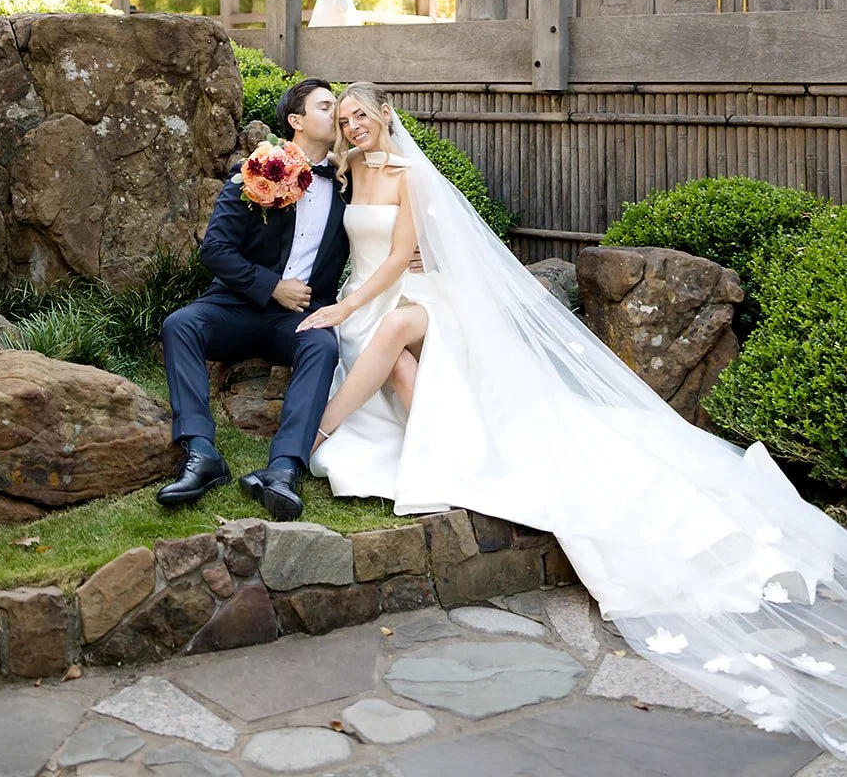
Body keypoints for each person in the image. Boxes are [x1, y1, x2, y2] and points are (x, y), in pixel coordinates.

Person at [300, 81, 847, 758]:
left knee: (392, 339)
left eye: (361, 116)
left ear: (386, 115)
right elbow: (318, 192)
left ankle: (314, 434)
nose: (352, 127)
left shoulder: (410, 173)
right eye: (344, 118)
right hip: (365, 296)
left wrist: (345, 309)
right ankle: (435, 456)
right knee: (404, 370)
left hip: (408, 296)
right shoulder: (347, 168)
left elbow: (395, 260)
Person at [157, 78, 348, 522]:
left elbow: (387, 219)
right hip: (237, 307)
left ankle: (283, 469)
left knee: (322, 345)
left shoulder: (347, 182)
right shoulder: (258, 171)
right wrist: (270, 286)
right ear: (296, 121)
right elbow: (215, 249)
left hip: (300, 316)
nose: (336, 114)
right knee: (180, 324)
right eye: (326, 106)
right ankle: (201, 453)